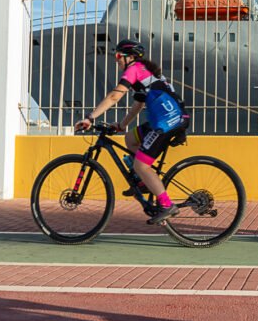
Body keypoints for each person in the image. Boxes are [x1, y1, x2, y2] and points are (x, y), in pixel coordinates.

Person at [74, 39, 189, 225]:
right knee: (130, 138)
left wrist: (90, 117)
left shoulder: (134, 69)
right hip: (170, 119)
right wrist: (121, 125)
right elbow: (138, 104)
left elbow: (114, 96)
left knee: (142, 165)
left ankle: (167, 205)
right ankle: (143, 182)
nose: (116, 60)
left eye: (118, 56)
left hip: (167, 122)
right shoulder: (145, 73)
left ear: (130, 57)